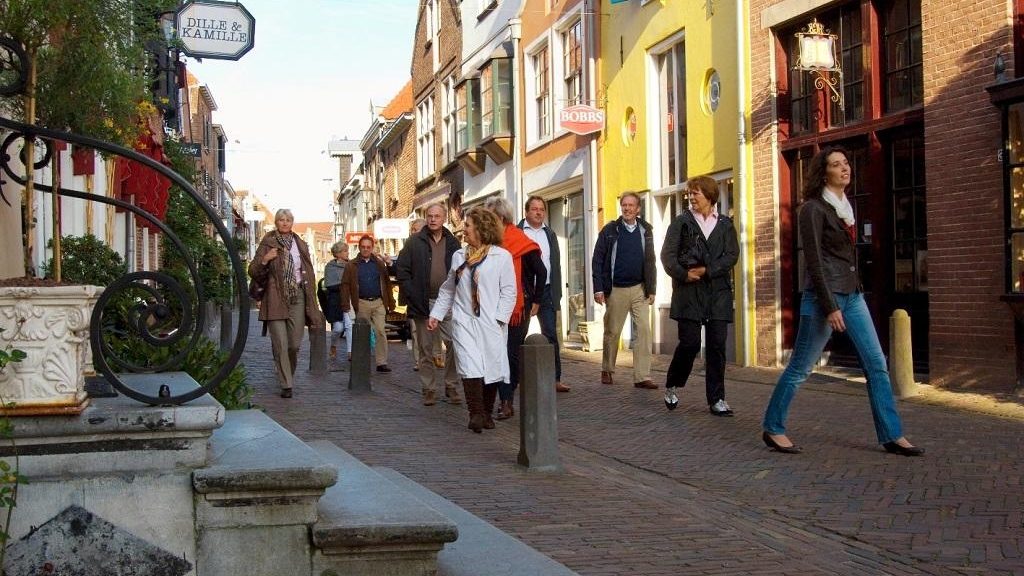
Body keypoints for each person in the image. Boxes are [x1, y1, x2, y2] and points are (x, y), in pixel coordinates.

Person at [761, 146, 924, 457]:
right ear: (825, 173)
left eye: (847, 162)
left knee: (877, 364)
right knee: (801, 368)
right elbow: (815, 261)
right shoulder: (812, 209)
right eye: (837, 164)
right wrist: (830, 305)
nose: (845, 168)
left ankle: (892, 434)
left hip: (853, 294)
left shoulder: (845, 206)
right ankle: (773, 427)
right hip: (824, 298)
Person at [428, 207, 516, 433]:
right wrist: (436, 314)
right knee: (469, 366)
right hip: (464, 321)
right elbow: (449, 288)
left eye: (467, 225)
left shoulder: (501, 257)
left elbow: (509, 291)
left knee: (491, 367)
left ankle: (487, 412)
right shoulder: (459, 256)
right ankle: (475, 413)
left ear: (481, 228)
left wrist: (499, 319)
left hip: (490, 321)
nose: (463, 229)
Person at [660, 176, 739, 416]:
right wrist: (684, 275)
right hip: (689, 294)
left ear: (710, 196)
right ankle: (673, 384)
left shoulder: (725, 224)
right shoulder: (680, 223)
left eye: (696, 193)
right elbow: (667, 256)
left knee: (716, 346)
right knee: (690, 343)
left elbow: (731, 255)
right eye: (690, 193)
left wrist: (708, 270)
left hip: (718, 294)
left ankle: (717, 399)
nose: (692, 197)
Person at [248, 209, 323, 398]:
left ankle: (286, 371)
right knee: (280, 343)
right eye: (281, 220)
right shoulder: (268, 242)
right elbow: (253, 271)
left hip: (297, 295)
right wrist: (265, 259)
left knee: (294, 345)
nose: (284, 223)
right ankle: (286, 384)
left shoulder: (300, 244)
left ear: (292, 222)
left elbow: (309, 272)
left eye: (288, 220)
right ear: (276, 222)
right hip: (274, 296)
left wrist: (311, 301)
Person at [482, 197, 545, 420]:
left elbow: (541, 271)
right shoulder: (489, 243)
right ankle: (505, 398)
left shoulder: (520, 241)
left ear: (500, 217)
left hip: (519, 307)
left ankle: (507, 399)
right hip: (493, 304)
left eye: (489, 217)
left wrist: (536, 300)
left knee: (509, 352)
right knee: (498, 352)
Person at [396, 203, 462, 406]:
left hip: (448, 302)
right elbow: (402, 270)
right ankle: (429, 388)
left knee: (454, 344)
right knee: (425, 348)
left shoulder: (453, 243)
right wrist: (412, 293)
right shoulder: (414, 242)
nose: (433, 219)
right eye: (430, 216)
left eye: (437, 216)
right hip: (423, 302)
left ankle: (451, 385)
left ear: (444, 219)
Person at [592, 192, 658, 390]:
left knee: (644, 330)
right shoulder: (610, 230)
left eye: (631, 205)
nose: (627, 208)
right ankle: (607, 369)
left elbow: (650, 260)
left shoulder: (646, 230)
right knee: (612, 331)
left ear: (638, 209)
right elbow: (597, 260)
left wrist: (652, 288)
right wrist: (598, 289)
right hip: (616, 289)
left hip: (639, 288)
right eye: (624, 205)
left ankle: (642, 376)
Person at [519, 196, 569, 393]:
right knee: (518, 335)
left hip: (546, 290)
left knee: (550, 335)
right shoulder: (518, 232)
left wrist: (556, 293)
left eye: (542, 209)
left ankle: (555, 378)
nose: (538, 212)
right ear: (526, 212)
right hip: (524, 290)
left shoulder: (550, 234)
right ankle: (516, 378)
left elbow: (554, 264)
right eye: (534, 209)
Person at [340, 235, 396, 373]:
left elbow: (387, 283)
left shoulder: (378, 264)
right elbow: (345, 286)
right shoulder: (351, 265)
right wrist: (346, 305)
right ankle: (362, 360)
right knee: (363, 333)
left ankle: (381, 362)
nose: (365, 250)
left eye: (368, 247)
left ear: (372, 248)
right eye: (363, 247)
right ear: (359, 247)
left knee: (380, 331)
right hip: (361, 302)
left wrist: (390, 302)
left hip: (378, 302)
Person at [324, 241, 354, 361]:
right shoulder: (330, 267)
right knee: (338, 328)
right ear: (338, 253)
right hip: (336, 301)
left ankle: (350, 352)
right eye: (345, 251)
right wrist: (344, 286)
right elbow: (329, 285)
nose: (347, 253)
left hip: (348, 300)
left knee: (349, 325)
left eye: (347, 250)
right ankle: (333, 345)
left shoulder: (351, 265)